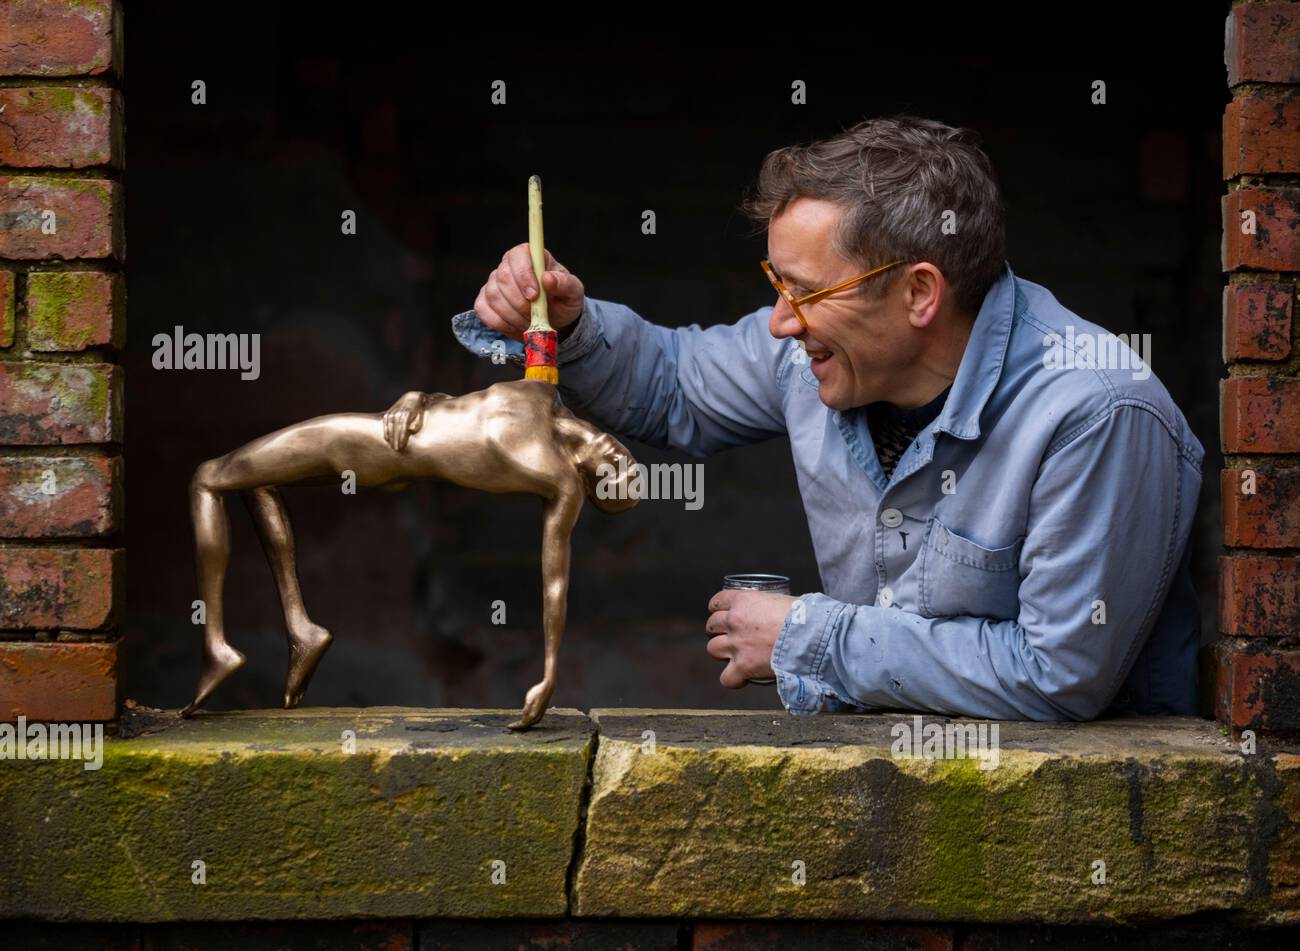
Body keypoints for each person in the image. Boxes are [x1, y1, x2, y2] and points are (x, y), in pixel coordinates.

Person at [385, 116, 1205, 722]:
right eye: (774, 284)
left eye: (805, 291)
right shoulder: (810, 355)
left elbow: (1058, 674)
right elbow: (672, 385)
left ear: (920, 292)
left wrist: (808, 636)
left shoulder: (1095, 411)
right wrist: (566, 321)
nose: (780, 322)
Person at [182, 379, 638, 730]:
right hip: (390, 429)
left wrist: (549, 674)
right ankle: (301, 628)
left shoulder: (555, 476)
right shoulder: (545, 393)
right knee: (255, 481)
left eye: (613, 473)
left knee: (209, 477)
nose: (618, 455)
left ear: (588, 479)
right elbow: (462, 405)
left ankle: (217, 646)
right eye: (628, 461)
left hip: (371, 447)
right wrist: (417, 397)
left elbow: (555, 579)